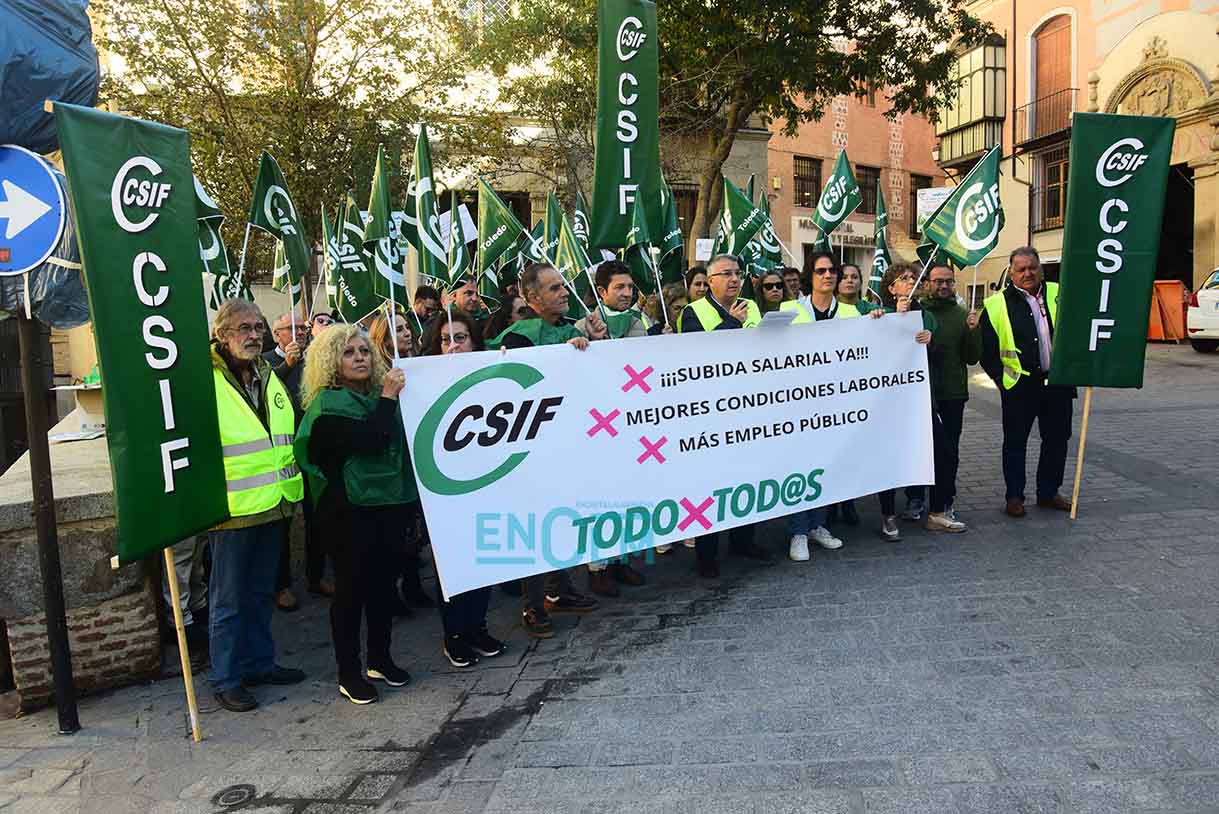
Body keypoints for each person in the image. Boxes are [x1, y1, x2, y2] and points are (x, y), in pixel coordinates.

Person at [294, 325, 414, 705]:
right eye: (349, 353)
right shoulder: (327, 407)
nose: (360, 357)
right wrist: (389, 397)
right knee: (351, 593)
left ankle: (380, 659)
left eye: (365, 351)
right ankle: (349, 672)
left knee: (383, 588)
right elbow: (370, 441)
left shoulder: (377, 397)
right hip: (347, 514)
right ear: (331, 363)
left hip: (387, 507)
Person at [488, 263, 604, 637]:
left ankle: (560, 589)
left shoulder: (569, 331)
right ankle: (533, 604)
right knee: (536, 526)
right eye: (553, 288)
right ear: (533, 298)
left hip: (567, 446)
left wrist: (594, 346)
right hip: (531, 451)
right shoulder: (520, 337)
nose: (563, 292)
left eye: (563, 286)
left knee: (564, 518)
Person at [207, 299, 306, 713]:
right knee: (227, 601)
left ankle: (259, 663)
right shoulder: (204, 379)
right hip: (231, 509)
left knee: (260, 592)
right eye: (244, 329)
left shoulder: (266, 373)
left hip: (274, 502)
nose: (253, 335)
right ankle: (226, 678)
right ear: (222, 335)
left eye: (258, 329)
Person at [419, 310, 509, 667]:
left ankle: (477, 627)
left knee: (486, 556)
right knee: (452, 563)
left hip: (489, 483)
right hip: (445, 490)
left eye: (460, 337)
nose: (453, 346)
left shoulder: (494, 372)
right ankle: (453, 634)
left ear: (474, 339)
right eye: (445, 339)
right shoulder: (422, 382)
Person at [678, 255, 770, 577]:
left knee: (746, 475)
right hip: (709, 411)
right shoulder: (694, 312)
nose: (734, 279)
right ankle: (706, 552)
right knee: (710, 482)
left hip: (747, 405)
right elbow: (698, 355)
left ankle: (744, 539)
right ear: (710, 280)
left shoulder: (751, 306)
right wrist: (730, 322)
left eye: (737, 274)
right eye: (726, 274)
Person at [979, 246, 1075, 518]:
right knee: (1015, 443)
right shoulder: (996, 304)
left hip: (1058, 383)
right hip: (1020, 386)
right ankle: (1014, 497)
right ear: (1011, 273)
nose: (1027, 273)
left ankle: (1048, 493)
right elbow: (986, 350)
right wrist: (1001, 381)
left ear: (1041, 269)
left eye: (1032, 267)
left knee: (1057, 440)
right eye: (1021, 269)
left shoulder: (1060, 293)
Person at [875, 263, 937, 541]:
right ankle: (887, 514)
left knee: (924, 450)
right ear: (891, 288)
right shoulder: (879, 315)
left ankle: (921, 502)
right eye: (903, 279)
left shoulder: (926, 316)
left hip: (916, 401)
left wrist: (929, 338)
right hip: (886, 403)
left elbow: (935, 350)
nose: (910, 281)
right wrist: (887, 319)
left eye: (913, 277)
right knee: (886, 457)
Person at [921, 262, 981, 533]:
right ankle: (915, 498)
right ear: (928, 284)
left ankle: (946, 500)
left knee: (950, 450)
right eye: (937, 281)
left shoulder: (962, 314)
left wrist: (973, 331)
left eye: (948, 281)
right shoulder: (917, 312)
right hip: (923, 394)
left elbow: (971, 357)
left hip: (953, 393)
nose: (943, 286)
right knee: (924, 450)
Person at [262, 312, 308, 612]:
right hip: (281, 454)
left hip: (311, 447)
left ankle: (317, 576)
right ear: (277, 334)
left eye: (302, 327)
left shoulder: (312, 357)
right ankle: (282, 585)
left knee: (316, 518)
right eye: (291, 328)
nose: (299, 333)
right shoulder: (265, 361)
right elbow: (264, 391)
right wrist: (287, 366)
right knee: (281, 526)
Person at [575, 260, 649, 339]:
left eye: (630, 287)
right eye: (619, 287)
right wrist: (594, 339)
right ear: (602, 291)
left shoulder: (638, 325)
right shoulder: (582, 327)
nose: (627, 294)